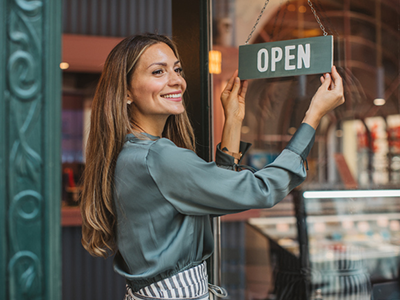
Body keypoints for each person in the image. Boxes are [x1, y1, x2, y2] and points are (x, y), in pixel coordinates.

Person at [80, 33, 344, 300]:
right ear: (126, 91)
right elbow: (262, 190)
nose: (176, 80)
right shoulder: (158, 157)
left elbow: (218, 193)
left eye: (177, 69)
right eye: (158, 71)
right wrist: (314, 116)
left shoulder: (130, 152)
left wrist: (233, 120)